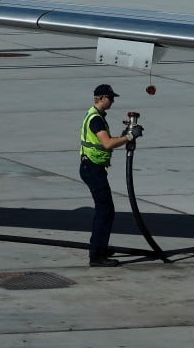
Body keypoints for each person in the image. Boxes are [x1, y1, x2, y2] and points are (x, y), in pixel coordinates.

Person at [79, 83, 140, 267]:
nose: (112, 101)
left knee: (105, 211)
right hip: (92, 168)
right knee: (105, 211)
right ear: (102, 98)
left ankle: (99, 247)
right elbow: (107, 144)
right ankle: (96, 255)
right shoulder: (96, 119)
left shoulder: (95, 115)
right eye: (110, 98)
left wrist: (123, 136)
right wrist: (129, 137)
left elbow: (108, 141)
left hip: (92, 167)